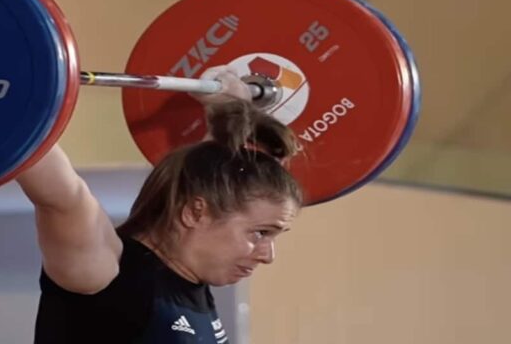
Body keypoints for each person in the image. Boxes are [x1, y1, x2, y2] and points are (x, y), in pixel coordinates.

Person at [17, 66, 303, 343]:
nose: (268, 255)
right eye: (261, 233)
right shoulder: (104, 272)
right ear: (194, 213)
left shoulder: (189, 285)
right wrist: (3, 98)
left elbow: (211, 170)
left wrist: (227, 108)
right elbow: (62, 197)